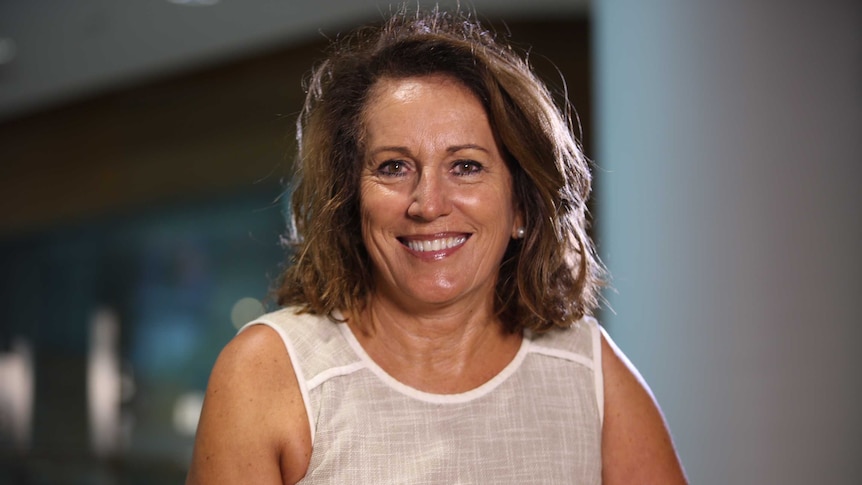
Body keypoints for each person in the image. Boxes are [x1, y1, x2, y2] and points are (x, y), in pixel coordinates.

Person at [187, 6, 687, 484]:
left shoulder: (588, 369)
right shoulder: (267, 373)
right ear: (349, 200)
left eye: (465, 166)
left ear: (521, 206)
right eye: (394, 167)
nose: (428, 204)